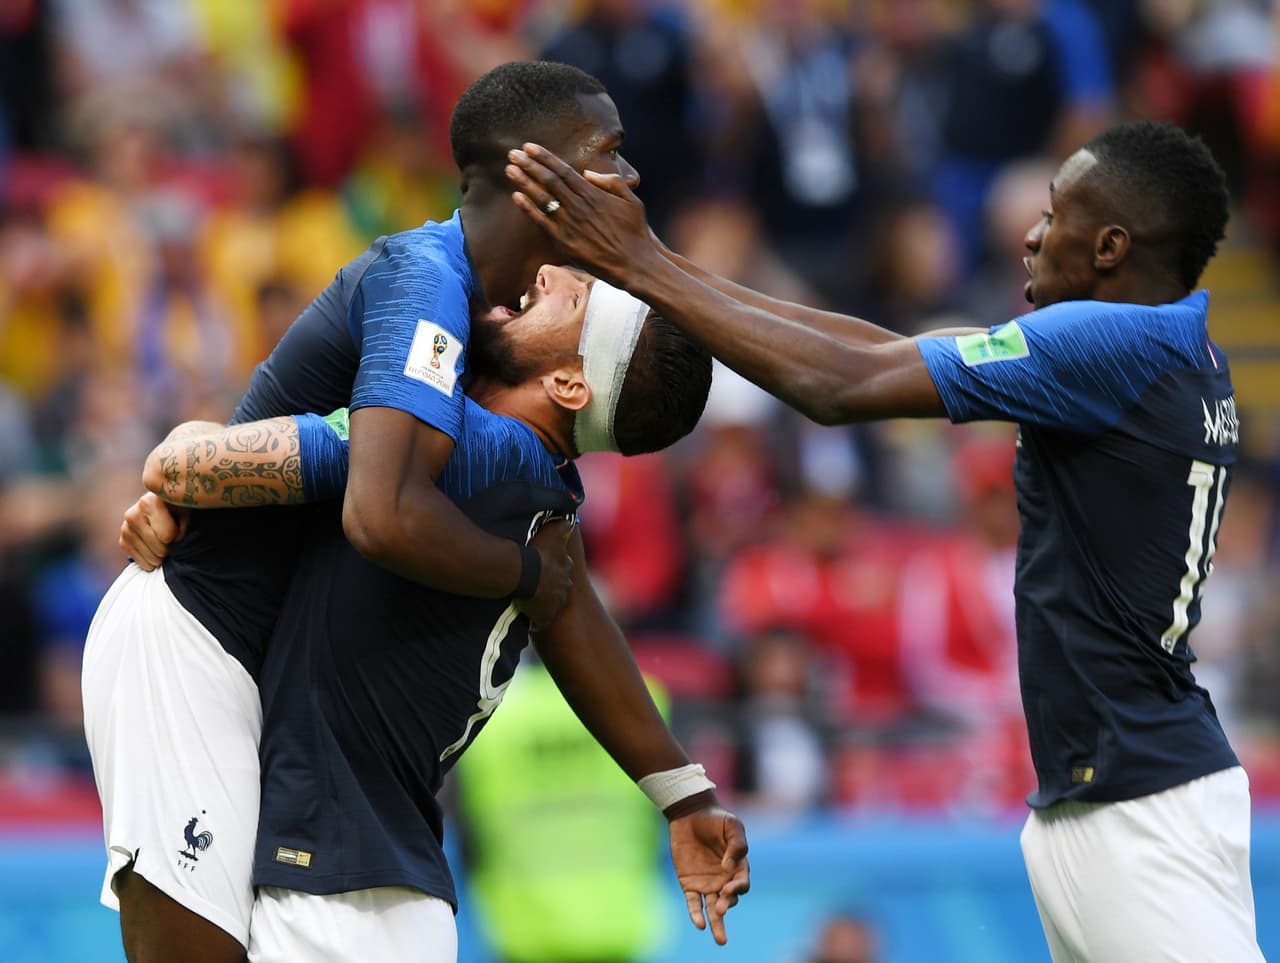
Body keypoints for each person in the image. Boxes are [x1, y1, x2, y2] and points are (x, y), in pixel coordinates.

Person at [505, 119, 1265, 961]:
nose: (1031, 233)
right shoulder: (1168, 346)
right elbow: (882, 351)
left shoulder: (1108, 344)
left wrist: (639, 265)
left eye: (1055, 214)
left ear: (1112, 246)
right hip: (1115, 795)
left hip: (1140, 809)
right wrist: (663, 268)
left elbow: (839, 385)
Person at [81, 60, 720, 963]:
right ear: (530, 170)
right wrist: (527, 575)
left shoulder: (500, 439)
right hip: (193, 635)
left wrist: (682, 788)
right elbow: (381, 513)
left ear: (574, 380)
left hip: (267, 684)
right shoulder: (429, 291)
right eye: (608, 152)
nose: (631, 176)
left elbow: (563, 601)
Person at [134, 269, 744, 962]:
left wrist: (183, 490)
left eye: (572, 301)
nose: (545, 273)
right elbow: (575, 615)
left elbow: (182, 465)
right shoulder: (536, 495)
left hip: (343, 901)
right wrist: (683, 792)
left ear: (570, 386)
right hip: (375, 893)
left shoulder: (455, 455)